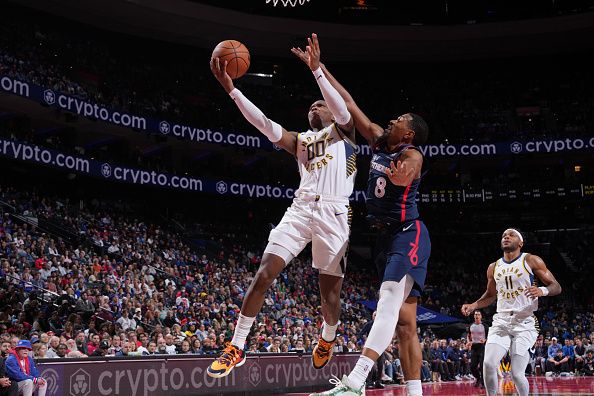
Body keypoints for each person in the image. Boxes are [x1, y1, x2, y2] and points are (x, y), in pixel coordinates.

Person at [207, 33, 356, 379]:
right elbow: (262, 123)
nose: (315, 108)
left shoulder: (345, 132)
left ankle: (328, 337)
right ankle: (237, 346)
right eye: (312, 107)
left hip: (335, 214)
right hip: (301, 209)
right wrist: (232, 90)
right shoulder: (301, 141)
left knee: (329, 298)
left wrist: (318, 72)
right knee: (264, 273)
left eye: (319, 105)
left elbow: (342, 109)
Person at [293, 36, 430, 396]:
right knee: (405, 324)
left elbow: (412, 167)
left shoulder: (412, 153)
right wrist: (318, 68)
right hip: (383, 238)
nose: (391, 120)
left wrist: (405, 175)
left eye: (399, 120)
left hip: (408, 234)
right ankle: (415, 392)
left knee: (387, 299)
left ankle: (356, 381)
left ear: (409, 133)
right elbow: (350, 104)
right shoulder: (380, 141)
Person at [461, 228, 562, 396]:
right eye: (503, 235)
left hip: (524, 322)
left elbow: (556, 286)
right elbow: (491, 295)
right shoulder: (493, 267)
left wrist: (542, 291)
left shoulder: (530, 260)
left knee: (516, 373)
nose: (506, 237)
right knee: (488, 364)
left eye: (511, 235)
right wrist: (474, 305)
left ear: (521, 242)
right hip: (501, 321)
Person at [468, 310, 487, 387]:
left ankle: (483, 382)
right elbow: (468, 335)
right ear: (474, 316)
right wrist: (469, 341)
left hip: (482, 347)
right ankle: (478, 378)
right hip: (474, 347)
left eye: (478, 314)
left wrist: (485, 340)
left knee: (482, 366)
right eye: (475, 314)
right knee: (472, 367)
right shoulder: (471, 326)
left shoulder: (485, 326)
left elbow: (489, 337)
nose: (477, 316)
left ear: (481, 316)